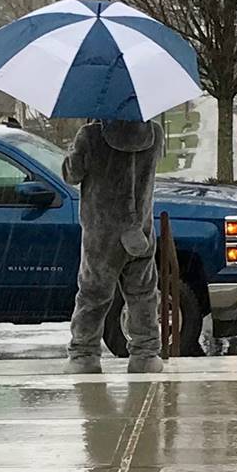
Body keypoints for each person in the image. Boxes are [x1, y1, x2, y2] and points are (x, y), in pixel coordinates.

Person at [62, 117, 165, 376]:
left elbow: (71, 175)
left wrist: (74, 149)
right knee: (143, 295)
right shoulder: (154, 133)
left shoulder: (90, 136)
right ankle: (145, 355)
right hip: (139, 231)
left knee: (93, 295)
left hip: (102, 233)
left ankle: (85, 354)